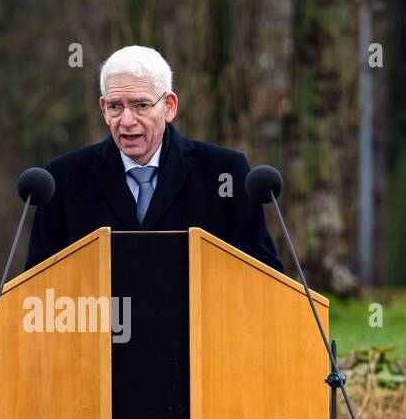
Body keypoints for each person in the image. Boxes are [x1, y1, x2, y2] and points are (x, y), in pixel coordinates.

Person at [24, 44, 283, 272]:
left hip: (199, 325)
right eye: (115, 106)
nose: (127, 120)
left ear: (169, 106)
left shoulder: (224, 171)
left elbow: (263, 272)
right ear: (103, 109)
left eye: (141, 105)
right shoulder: (63, 178)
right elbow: (36, 283)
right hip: (98, 325)